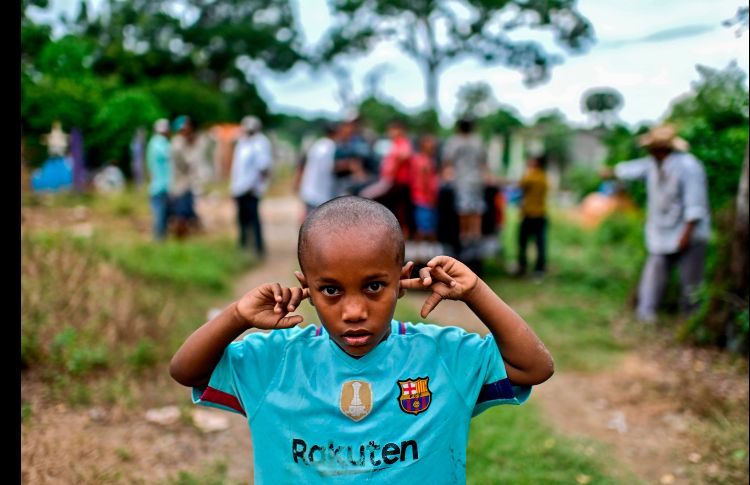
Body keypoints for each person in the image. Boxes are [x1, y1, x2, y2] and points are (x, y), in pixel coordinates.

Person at [170, 196, 554, 483]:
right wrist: (237, 315)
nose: (354, 310)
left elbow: (533, 366)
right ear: (307, 287)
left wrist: (475, 292)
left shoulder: (442, 358)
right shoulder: (276, 361)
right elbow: (186, 370)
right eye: (331, 290)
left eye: (373, 286)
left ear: (401, 281)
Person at [601, 123, 711, 323]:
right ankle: (645, 317)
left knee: (691, 284)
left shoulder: (689, 166)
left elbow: (696, 205)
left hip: (690, 234)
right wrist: (612, 172)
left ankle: (690, 323)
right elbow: (633, 169)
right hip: (663, 234)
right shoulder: (653, 164)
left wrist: (686, 234)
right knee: (654, 275)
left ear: (663, 147)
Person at [442, 117, 489, 264]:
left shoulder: (454, 141)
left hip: (462, 181)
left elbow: (447, 162)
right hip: (477, 180)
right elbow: (484, 163)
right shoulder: (478, 141)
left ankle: (464, 239)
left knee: (464, 210)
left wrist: (446, 175)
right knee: (476, 210)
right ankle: (475, 238)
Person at [230, 115, 272, 257]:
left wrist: (256, 185)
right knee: (242, 220)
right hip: (240, 188)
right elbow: (238, 167)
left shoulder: (261, 142)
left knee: (253, 219)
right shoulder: (242, 142)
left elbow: (264, 167)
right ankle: (244, 247)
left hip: (251, 189)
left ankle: (258, 249)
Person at [516, 155, 549, 279]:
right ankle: (538, 269)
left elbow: (521, 184)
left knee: (523, 242)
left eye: (531, 161)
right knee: (540, 244)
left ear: (536, 163)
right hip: (540, 215)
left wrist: (527, 171)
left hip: (531, 215)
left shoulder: (533, 176)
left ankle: (523, 267)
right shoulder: (543, 177)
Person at [169, 115, 202, 238]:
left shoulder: (181, 142)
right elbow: (187, 163)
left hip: (185, 185)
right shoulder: (178, 143)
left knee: (186, 216)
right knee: (181, 217)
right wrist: (193, 145)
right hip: (180, 187)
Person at [297, 122, 338, 216]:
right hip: (320, 193)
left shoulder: (318, 144)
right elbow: (328, 167)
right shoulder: (330, 146)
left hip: (309, 189)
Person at [146, 118, 172, 240]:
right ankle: (159, 240)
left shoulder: (152, 143)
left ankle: (160, 239)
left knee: (160, 216)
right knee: (161, 216)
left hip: (156, 186)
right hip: (161, 187)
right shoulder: (160, 143)